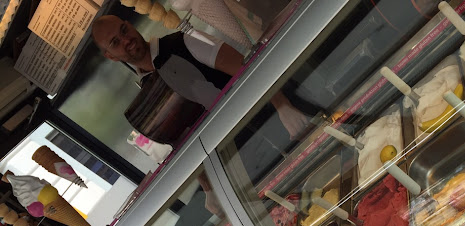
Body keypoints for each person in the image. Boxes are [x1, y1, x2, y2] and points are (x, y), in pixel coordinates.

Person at [91, 15, 313, 181]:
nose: (126, 40)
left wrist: (282, 105)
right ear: (110, 56)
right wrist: (207, 187)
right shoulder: (148, 94)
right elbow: (184, 142)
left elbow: (247, 67)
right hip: (249, 160)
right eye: (115, 42)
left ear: (130, 25)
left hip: (279, 120)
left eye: (124, 30)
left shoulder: (184, 42)